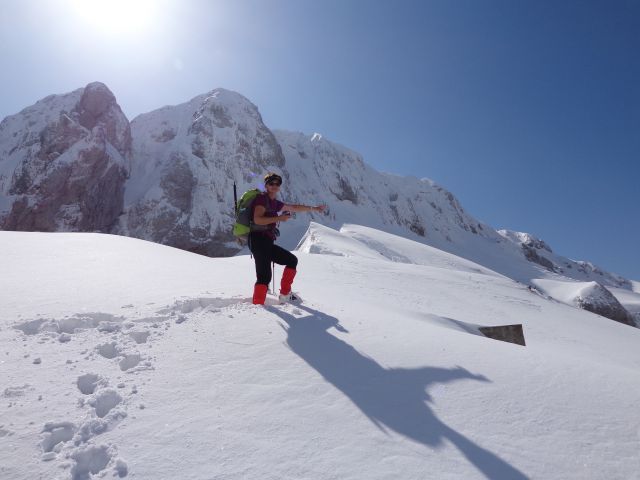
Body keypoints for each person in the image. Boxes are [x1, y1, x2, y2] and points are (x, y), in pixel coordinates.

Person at [249, 172, 326, 305]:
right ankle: (257, 309)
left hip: (266, 242)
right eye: (271, 183)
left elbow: (294, 207)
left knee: (291, 260)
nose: (274, 186)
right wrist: (279, 218)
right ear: (266, 185)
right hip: (257, 240)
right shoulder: (262, 199)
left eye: (277, 184)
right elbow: (257, 219)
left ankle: (285, 295)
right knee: (264, 277)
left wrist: (314, 208)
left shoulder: (274, 202)